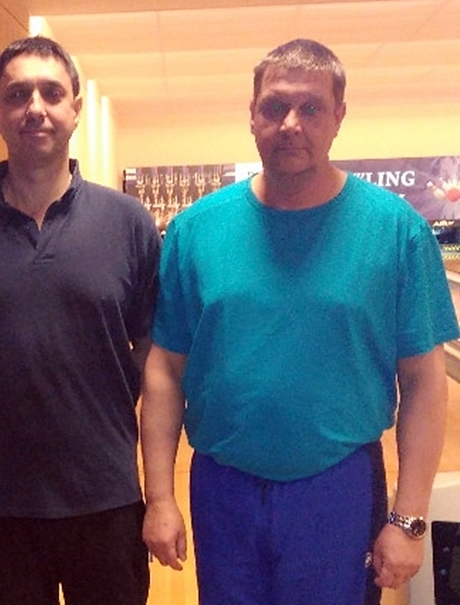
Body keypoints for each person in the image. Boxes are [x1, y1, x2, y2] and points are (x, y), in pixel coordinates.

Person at [140, 38, 460, 605]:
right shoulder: (196, 231)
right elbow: (165, 369)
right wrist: (161, 497)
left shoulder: (396, 231)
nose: (291, 124)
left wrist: (409, 519)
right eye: (275, 106)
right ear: (252, 115)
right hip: (222, 484)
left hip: (339, 486)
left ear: (339, 116)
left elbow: (424, 380)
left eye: (311, 107)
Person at [0, 36, 161, 605]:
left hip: (107, 495)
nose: (35, 108)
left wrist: (103, 404)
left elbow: (151, 345)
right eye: (18, 95)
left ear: (75, 108)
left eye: (51, 93)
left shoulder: (128, 223)